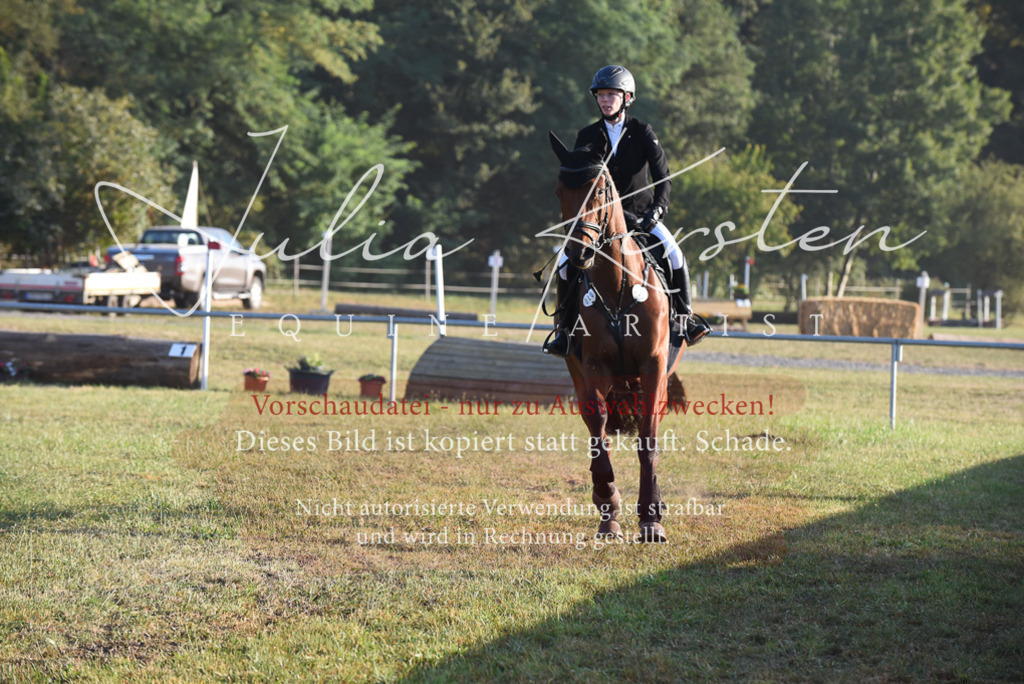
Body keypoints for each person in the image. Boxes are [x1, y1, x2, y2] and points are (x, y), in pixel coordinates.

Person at [544, 64, 712, 358]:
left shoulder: (643, 132)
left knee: (675, 255)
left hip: (643, 216)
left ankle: (686, 320)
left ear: (627, 98)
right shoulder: (587, 136)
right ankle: (565, 332)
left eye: (612, 94)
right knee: (564, 264)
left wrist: (658, 211)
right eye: (601, 95)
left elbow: (663, 178)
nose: (605, 100)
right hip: (599, 222)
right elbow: (578, 181)